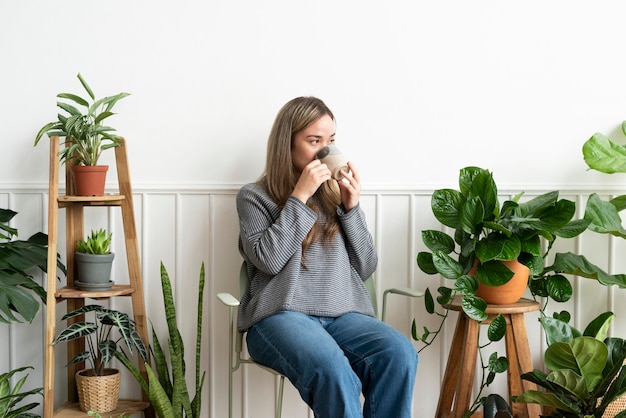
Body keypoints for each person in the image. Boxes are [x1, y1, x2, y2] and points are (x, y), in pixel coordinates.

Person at [236, 96, 418, 418]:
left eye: (330, 141)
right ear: (286, 144)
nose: (325, 150)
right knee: (333, 369)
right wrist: (299, 197)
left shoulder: (334, 196)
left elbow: (366, 266)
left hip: (343, 316)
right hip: (278, 317)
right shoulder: (254, 197)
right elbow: (269, 260)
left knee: (399, 352)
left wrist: (351, 208)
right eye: (314, 141)